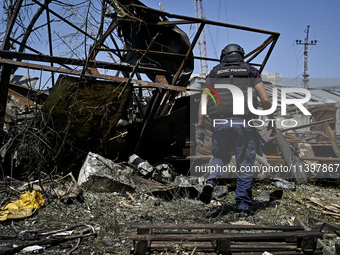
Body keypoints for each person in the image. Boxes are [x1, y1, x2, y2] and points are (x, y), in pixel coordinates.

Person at [196, 43, 276, 219]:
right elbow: (265, 100)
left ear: (223, 56)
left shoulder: (214, 73)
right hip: (244, 123)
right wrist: (271, 120)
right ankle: (242, 207)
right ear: (241, 55)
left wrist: (200, 127)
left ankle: (210, 182)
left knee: (219, 157)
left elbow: (204, 103)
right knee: (245, 163)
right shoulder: (251, 71)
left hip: (220, 123)